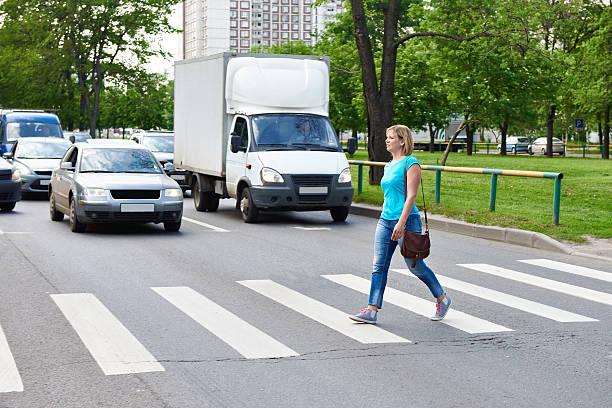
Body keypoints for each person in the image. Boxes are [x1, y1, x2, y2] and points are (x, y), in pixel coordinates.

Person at [349, 125, 451, 324]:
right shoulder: (388, 165)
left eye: (391, 138)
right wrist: (388, 218)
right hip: (385, 220)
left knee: (414, 266)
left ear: (402, 141)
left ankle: (442, 298)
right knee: (379, 266)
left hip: (407, 220)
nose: (387, 141)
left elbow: (411, 196)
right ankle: (372, 310)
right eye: (387, 137)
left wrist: (401, 223)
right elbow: (390, 195)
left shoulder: (411, 164)